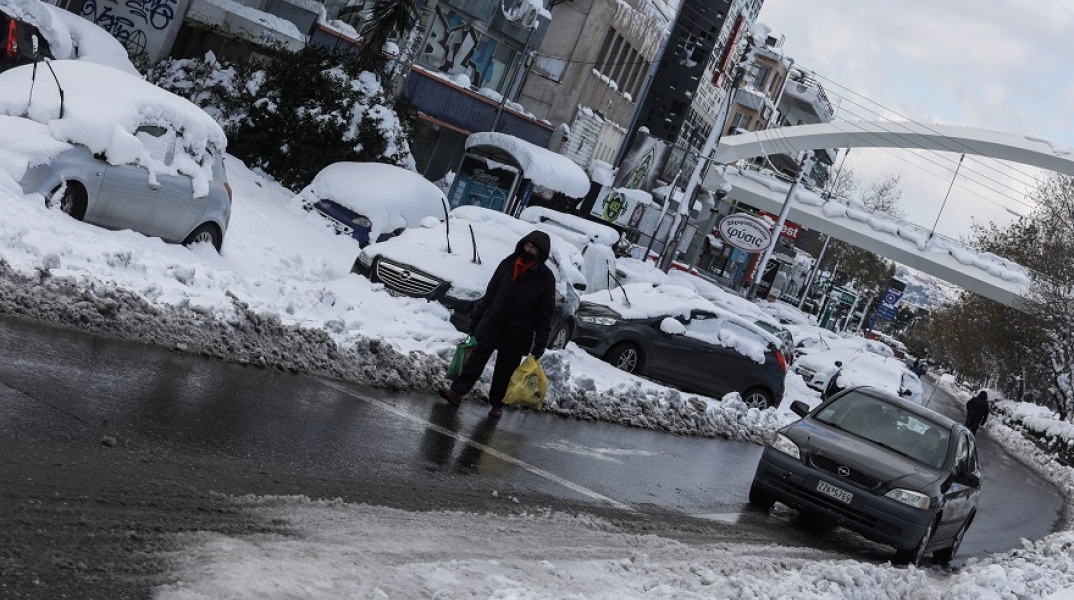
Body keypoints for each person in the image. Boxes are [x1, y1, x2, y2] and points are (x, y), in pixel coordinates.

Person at [438, 231, 556, 418]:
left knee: (505, 370)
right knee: (474, 361)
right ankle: (457, 393)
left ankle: (497, 405)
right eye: (527, 245)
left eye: (533, 247)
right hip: (492, 322)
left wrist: (541, 341)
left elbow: (545, 313)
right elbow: (490, 293)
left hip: (518, 331)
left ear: (541, 253)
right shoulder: (508, 264)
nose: (528, 249)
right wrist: (476, 318)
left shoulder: (545, 278)